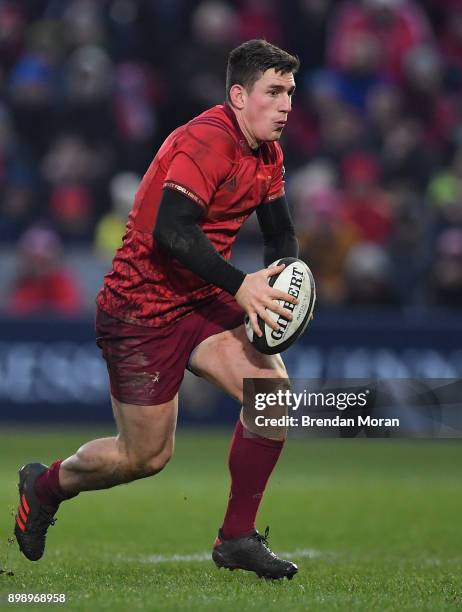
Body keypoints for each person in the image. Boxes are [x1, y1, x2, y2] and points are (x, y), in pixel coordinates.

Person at [14, 39, 301, 580]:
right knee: (144, 457)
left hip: (199, 295)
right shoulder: (206, 141)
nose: (286, 104)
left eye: (290, 92)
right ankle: (45, 484)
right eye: (274, 92)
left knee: (272, 398)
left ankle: (236, 536)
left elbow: (280, 232)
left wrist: (283, 282)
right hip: (139, 307)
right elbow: (172, 231)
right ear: (239, 96)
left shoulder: (268, 154)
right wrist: (242, 286)